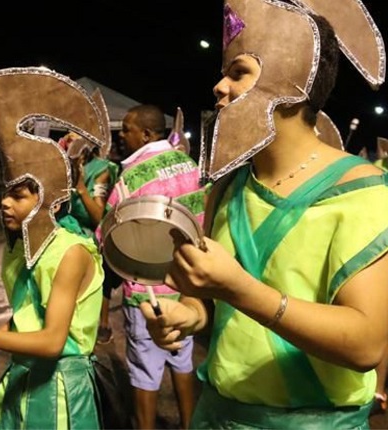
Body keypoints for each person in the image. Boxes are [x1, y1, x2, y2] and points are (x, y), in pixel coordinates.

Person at [143, 1, 388, 428]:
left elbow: (365, 345)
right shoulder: (227, 185)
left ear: (291, 83)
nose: (219, 87)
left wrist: (240, 289)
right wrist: (188, 316)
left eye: (238, 73)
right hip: (216, 414)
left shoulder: (359, 191)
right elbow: (209, 306)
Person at [0, 66, 112, 430]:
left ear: (53, 200)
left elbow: (52, 342)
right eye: (6, 191)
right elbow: (28, 314)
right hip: (21, 378)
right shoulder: (19, 246)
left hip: (59, 389)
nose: (4, 202)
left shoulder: (71, 252)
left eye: (18, 194)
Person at [95, 104, 204, 429]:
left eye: (126, 129)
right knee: (182, 362)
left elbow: (106, 232)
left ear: (146, 133)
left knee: (145, 373)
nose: (121, 135)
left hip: (146, 293)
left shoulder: (132, 176)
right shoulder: (189, 164)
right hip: (187, 291)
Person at [61, 131, 120, 345]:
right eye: (67, 132)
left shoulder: (100, 170)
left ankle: (94, 331)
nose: (69, 136)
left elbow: (97, 216)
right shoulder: (60, 163)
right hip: (61, 234)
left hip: (87, 237)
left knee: (88, 293)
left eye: (75, 132)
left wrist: (81, 187)